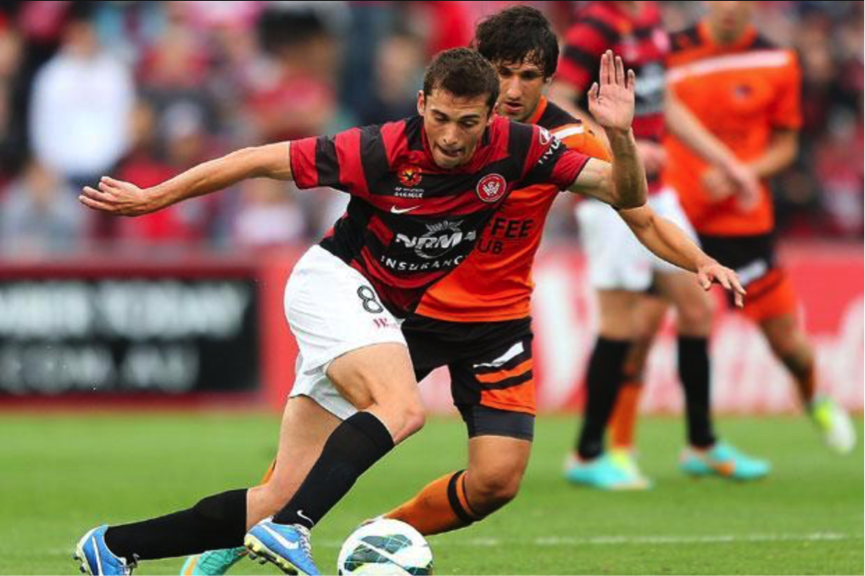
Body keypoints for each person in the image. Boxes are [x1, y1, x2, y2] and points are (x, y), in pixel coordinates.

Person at [75, 46, 741, 576]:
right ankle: (290, 533)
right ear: (422, 103)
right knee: (402, 411)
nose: (451, 136)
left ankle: (114, 546)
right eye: (440, 118)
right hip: (332, 284)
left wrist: (621, 137)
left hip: (384, 310)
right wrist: (155, 197)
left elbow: (622, 193)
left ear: (492, 118)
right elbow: (258, 159)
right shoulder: (380, 149)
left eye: (468, 122)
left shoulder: (520, 149)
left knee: (278, 490)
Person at [550, 0, 770, 489]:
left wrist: (727, 161)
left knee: (697, 308)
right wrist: (618, 142)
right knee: (621, 321)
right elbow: (559, 99)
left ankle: (702, 443)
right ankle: (587, 453)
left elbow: (663, 100)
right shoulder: (596, 24)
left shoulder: (648, 18)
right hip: (609, 185)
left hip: (659, 186)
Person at [632, 0, 854, 457]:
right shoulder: (669, 51)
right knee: (641, 325)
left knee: (789, 343)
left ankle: (813, 397)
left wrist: (744, 172)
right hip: (677, 214)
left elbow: (787, 147)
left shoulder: (778, 60)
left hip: (742, 219)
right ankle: (619, 448)